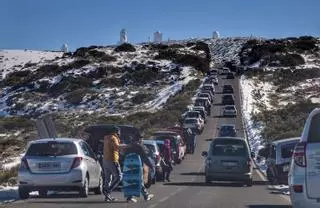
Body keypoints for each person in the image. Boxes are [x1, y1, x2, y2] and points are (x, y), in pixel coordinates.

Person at [124, 137, 155, 203]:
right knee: (139, 181)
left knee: (131, 181)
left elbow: (124, 155)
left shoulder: (128, 147)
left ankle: (130, 197)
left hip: (128, 165)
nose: (142, 141)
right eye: (141, 139)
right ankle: (146, 196)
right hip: (137, 165)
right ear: (139, 140)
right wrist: (151, 166)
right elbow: (145, 157)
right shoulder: (139, 147)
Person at [103, 126, 122, 202]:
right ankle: (107, 191)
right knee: (118, 177)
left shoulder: (106, 138)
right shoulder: (113, 138)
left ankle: (107, 197)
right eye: (118, 131)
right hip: (112, 159)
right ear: (115, 132)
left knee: (108, 179)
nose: (119, 133)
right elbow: (117, 147)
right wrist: (127, 146)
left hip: (105, 160)